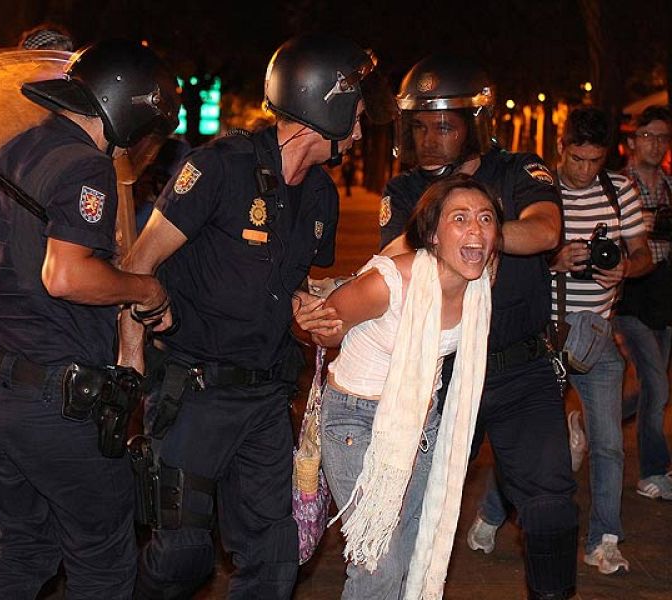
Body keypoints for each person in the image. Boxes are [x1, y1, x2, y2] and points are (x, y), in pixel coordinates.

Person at [119, 33, 395, 599]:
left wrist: (310, 307)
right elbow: (137, 264)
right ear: (325, 107)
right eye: (357, 115)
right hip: (193, 392)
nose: (362, 130)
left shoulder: (322, 196)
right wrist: (129, 365)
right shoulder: (217, 168)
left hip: (267, 399)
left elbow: (289, 281)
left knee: (274, 559)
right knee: (180, 556)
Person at [0, 40, 180, 599]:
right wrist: (142, 286)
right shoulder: (85, 164)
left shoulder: (11, 151)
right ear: (132, 108)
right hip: (55, 406)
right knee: (102, 561)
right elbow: (67, 276)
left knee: (22, 549)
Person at [381, 55, 579, 600]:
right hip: (438, 373)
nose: (428, 138)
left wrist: (473, 235)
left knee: (550, 505)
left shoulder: (518, 170)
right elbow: (393, 261)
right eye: (419, 126)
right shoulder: (403, 190)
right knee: (411, 505)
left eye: (442, 125)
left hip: (520, 369)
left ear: (475, 123)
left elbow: (544, 231)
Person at [298, 174, 499, 599]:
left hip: (421, 427)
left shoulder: (480, 282)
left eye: (485, 219)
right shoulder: (389, 282)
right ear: (431, 234)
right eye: (459, 218)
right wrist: (315, 317)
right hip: (355, 422)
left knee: (411, 555)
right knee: (378, 565)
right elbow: (326, 329)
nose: (476, 230)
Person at [472, 107, 652, 575]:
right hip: (543, 338)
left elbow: (642, 255)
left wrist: (626, 268)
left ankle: (604, 540)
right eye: (577, 159)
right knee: (526, 445)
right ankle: (491, 515)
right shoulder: (532, 186)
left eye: (595, 161)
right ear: (561, 148)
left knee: (610, 444)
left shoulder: (622, 191)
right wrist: (554, 260)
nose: (585, 170)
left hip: (597, 334)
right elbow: (504, 257)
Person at [614, 105, 672, 500]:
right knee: (656, 382)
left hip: (664, 294)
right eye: (648, 136)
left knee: (652, 388)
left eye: (663, 138)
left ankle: (593, 425)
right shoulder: (618, 187)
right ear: (633, 142)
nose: (655, 144)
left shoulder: (670, 185)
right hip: (629, 293)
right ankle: (654, 470)